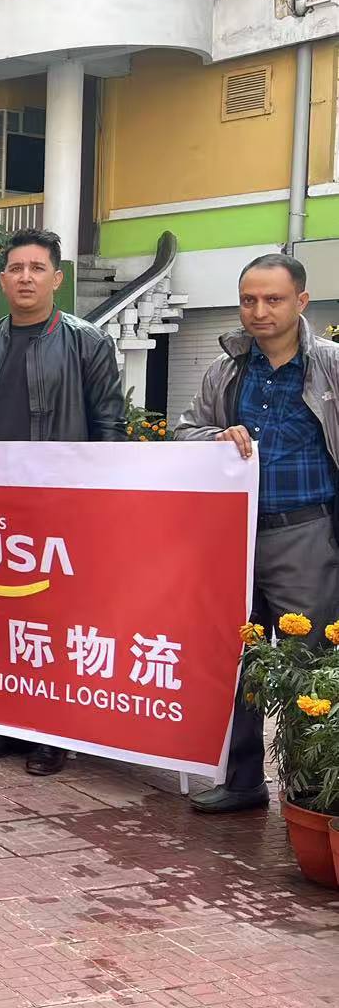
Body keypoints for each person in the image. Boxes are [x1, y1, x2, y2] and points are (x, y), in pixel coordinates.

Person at [0, 229, 126, 775]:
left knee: (54, 621)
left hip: (61, 507)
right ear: (3, 280)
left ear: (57, 278)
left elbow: (109, 426)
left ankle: (51, 732)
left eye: (36, 268)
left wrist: (98, 501)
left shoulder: (87, 342)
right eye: (16, 268)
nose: (25, 277)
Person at [174, 251, 339, 814]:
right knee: (237, 658)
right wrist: (216, 436)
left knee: (306, 663)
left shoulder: (330, 367)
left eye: (273, 299)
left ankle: (308, 792)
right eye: (249, 300)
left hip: (307, 533)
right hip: (235, 537)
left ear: (302, 301)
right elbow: (185, 431)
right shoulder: (227, 369)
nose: (260, 311)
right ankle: (242, 780)